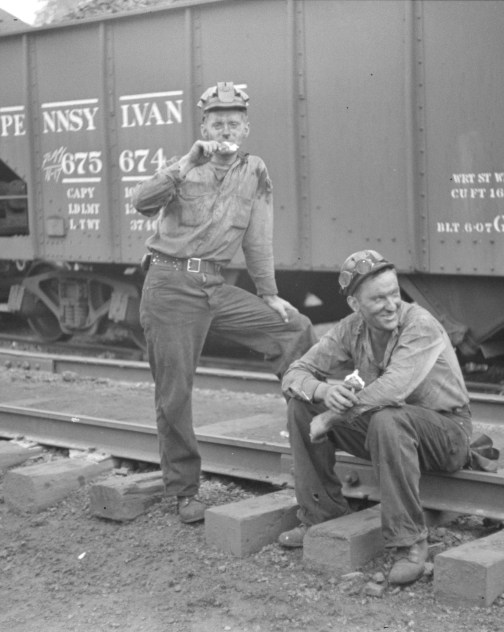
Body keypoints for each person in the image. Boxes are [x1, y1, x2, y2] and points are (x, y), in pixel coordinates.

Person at [132, 81, 316, 524]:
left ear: (246, 127)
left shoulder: (255, 171)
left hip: (214, 286)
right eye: (217, 123)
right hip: (170, 284)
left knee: (296, 330)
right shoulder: (184, 168)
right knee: (175, 394)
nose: (225, 130)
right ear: (204, 127)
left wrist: (268, 293)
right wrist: (183, 163)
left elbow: (258, 237)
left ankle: (315, 448)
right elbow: (141, 203)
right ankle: (184, 492)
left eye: (233, 123)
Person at [279, 249, 473, 585]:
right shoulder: (351, 328)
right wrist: (323, 393)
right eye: (379, 298)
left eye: (395, 294)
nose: (391, 305)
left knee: (386, 417)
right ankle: (321, 515)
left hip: (447, 435)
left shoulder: (420, 325)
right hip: (392, 432)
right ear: (355, 305)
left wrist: (330, 419)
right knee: (301, 405)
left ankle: (410, 542)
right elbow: (294, 374)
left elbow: (392, 390)